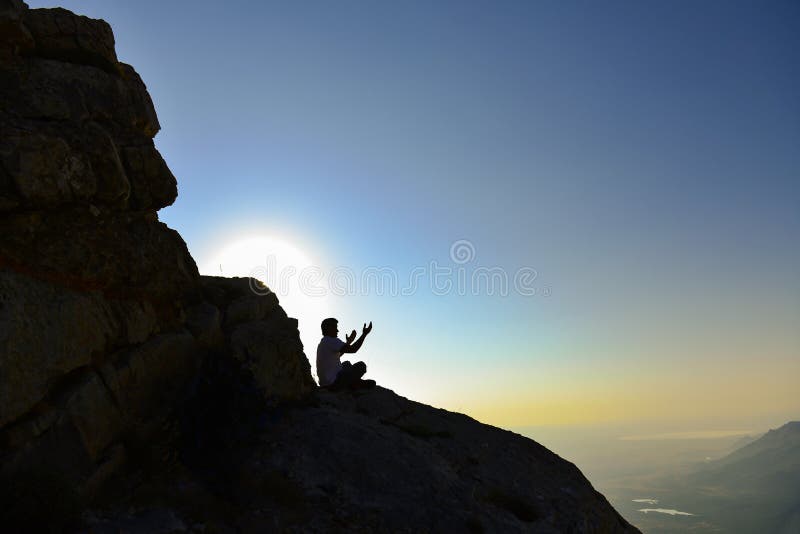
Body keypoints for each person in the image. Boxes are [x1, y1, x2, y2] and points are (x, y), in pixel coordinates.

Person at [316, 317, 375, 390]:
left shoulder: (323, 342)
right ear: (328, 328)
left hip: (326, 383)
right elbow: (353, 349)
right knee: (361, 365)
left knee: (346, 364)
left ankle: (355, 382)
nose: (337, 330)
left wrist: (348, 342)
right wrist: (364, 334)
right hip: (334, 383)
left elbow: (337, 355)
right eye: (335, 327)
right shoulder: (331, 340)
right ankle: (354, 384)